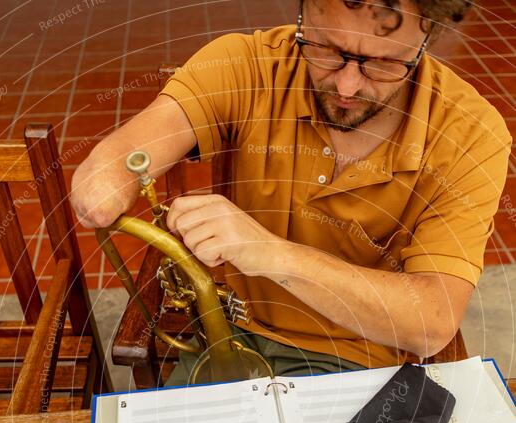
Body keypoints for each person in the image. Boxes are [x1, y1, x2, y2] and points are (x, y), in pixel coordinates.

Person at [71, 0, 511, 382]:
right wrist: (107, 184)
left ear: (426, 38)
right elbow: (121, 159)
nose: (347, 87)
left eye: (383, 63)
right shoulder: (247, 64)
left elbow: (431, 322)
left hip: (365, 360)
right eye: (324, 49)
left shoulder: (470, 133)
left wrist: (272, 253)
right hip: (234, 334)